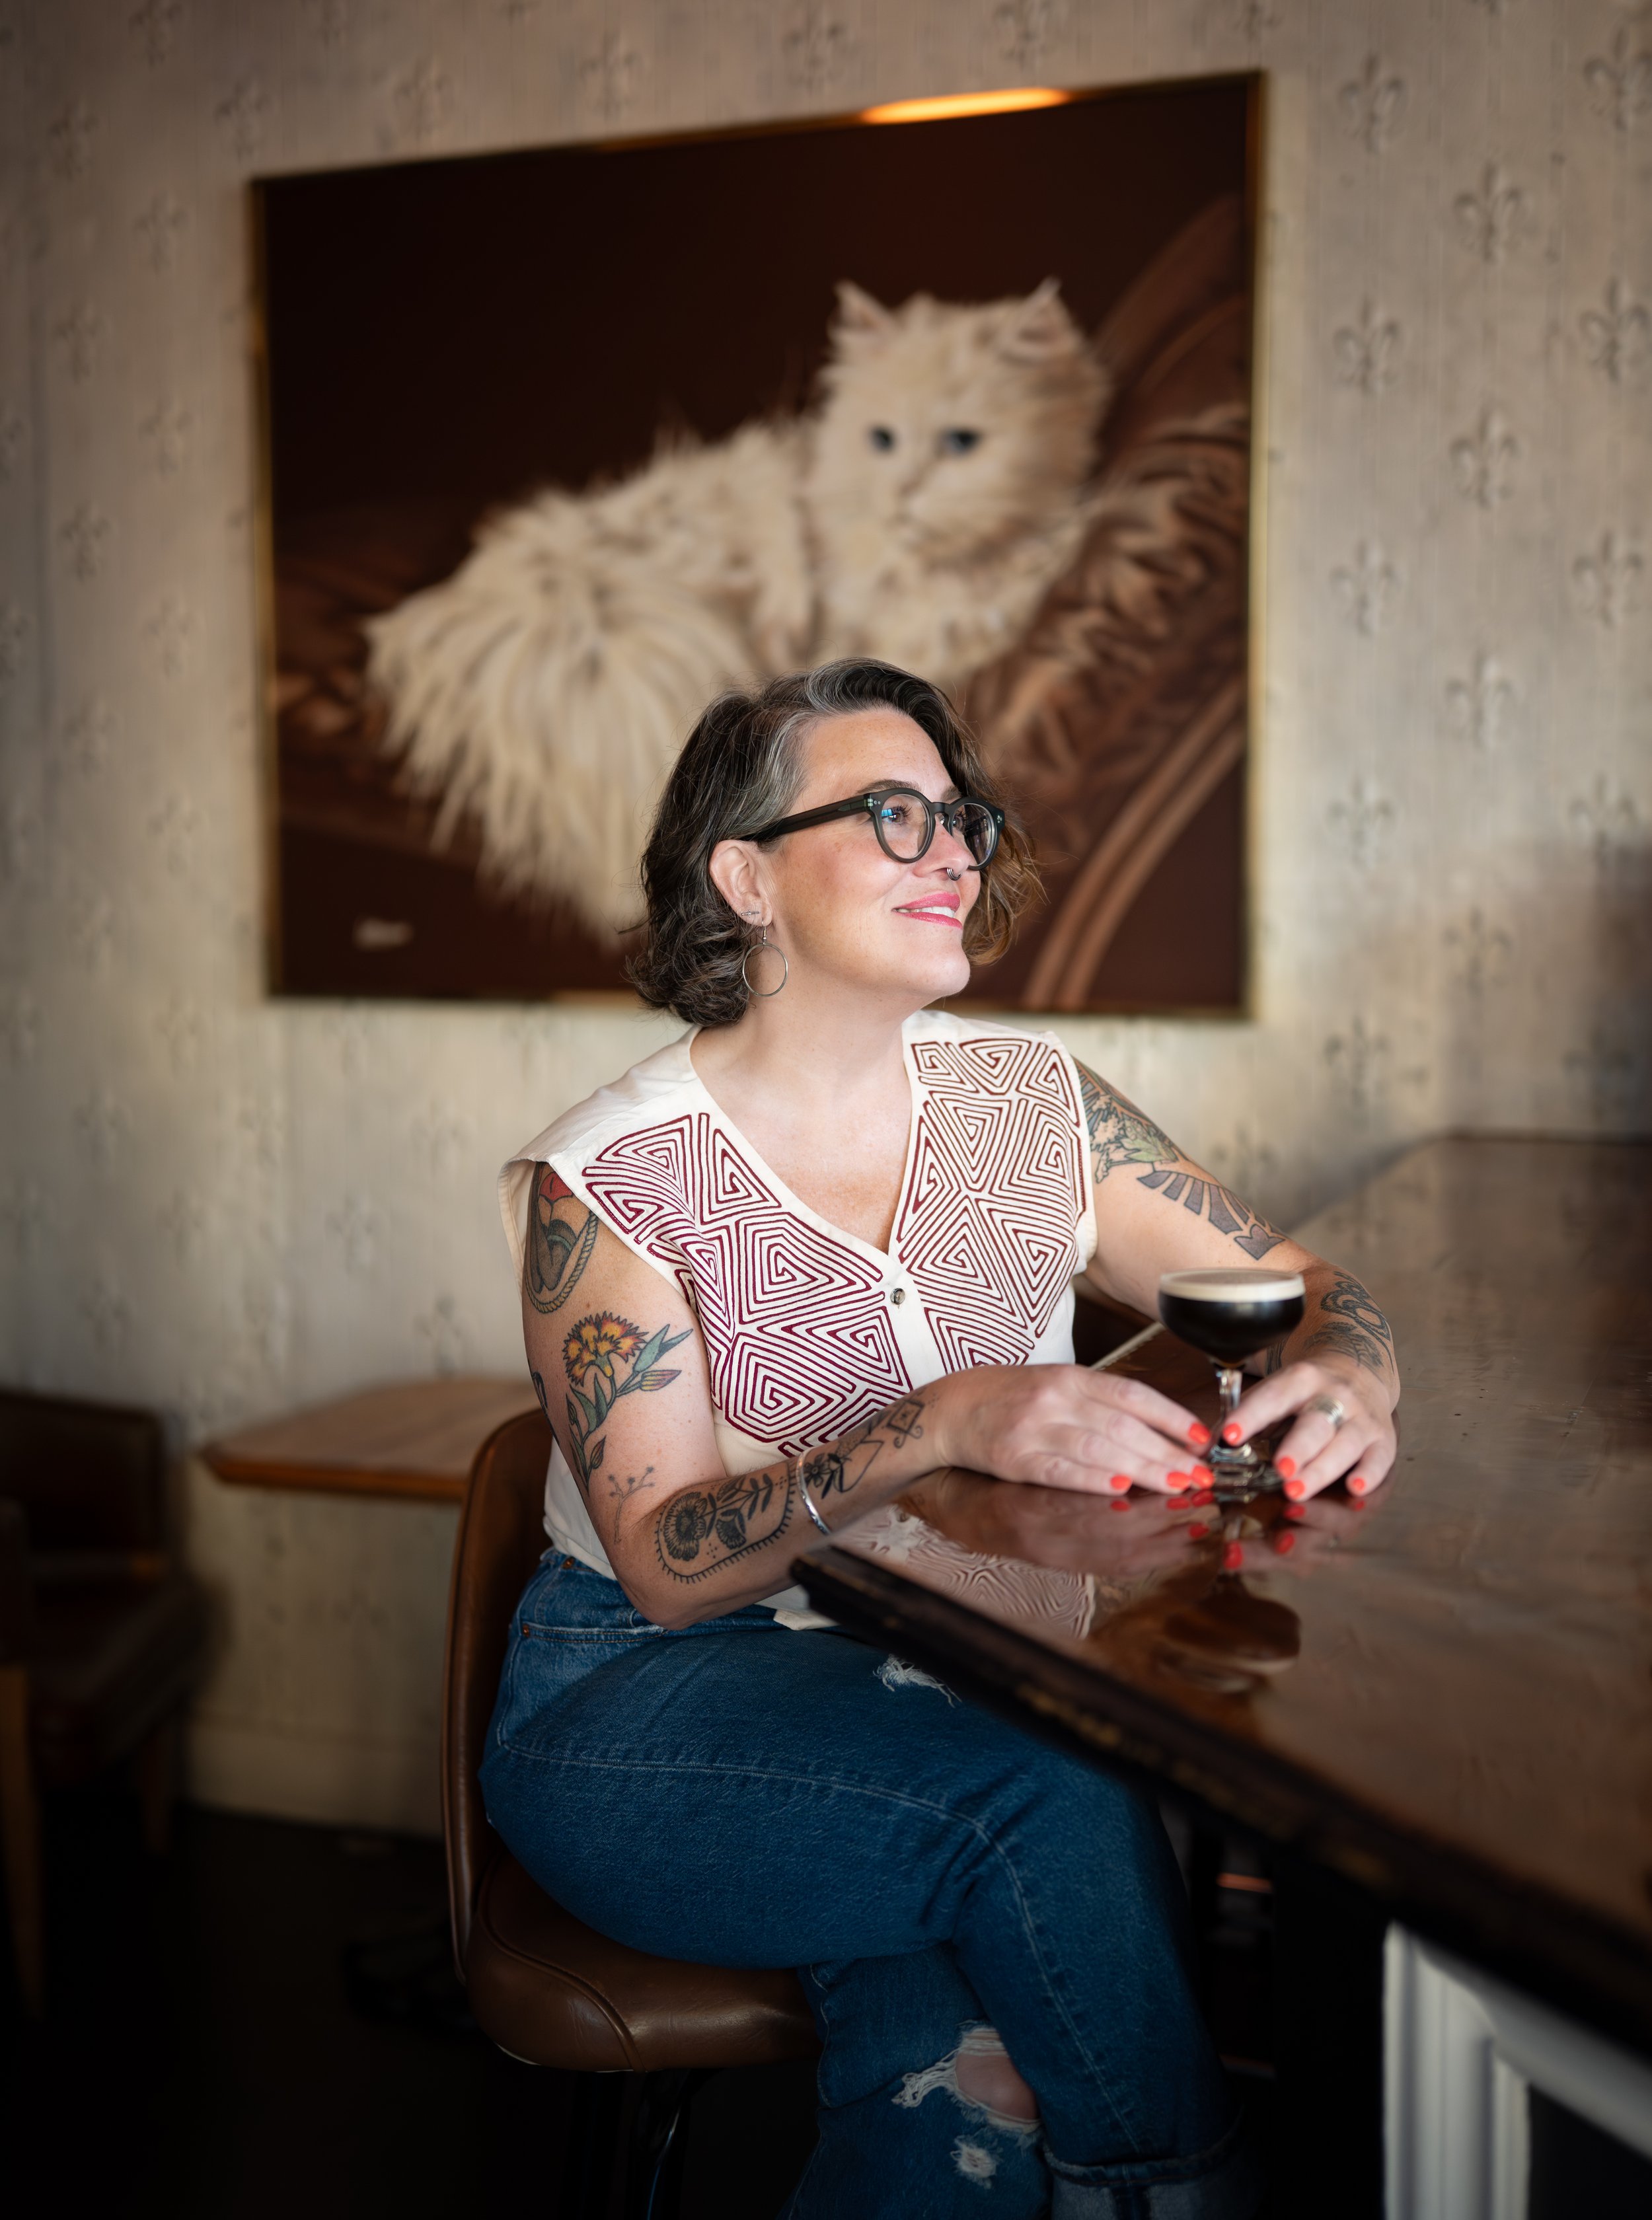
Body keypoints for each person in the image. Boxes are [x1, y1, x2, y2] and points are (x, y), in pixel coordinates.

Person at [484, 659, 1399, 2217]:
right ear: (744, 877)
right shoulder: (614, 1179)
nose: (956, 852)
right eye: (891, 814)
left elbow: (1307, 1292)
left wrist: (1355, 1371)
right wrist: (939, 1422)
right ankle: (1181, 2190)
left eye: (959, 817)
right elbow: (662, 1568)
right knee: (1052, 1796)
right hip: (647, 1710)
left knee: (956, 2114)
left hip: (942, 1686)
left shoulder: (1038, 1106)